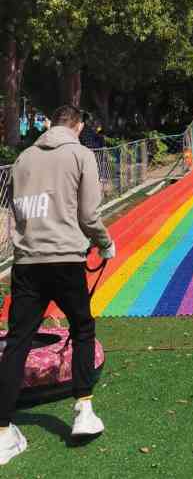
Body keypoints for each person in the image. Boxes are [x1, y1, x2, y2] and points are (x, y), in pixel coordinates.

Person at [0, 104, 115, 464]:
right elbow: (88, 214)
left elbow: (17, 210)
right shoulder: (81, 155)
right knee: (82, 328)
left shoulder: (22, 160)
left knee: (17, 341)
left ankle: (3, 431)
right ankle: (83, 409)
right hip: (66, 259)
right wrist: (105, 242)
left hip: (27, 262)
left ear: (50, 124)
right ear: (78, 126)